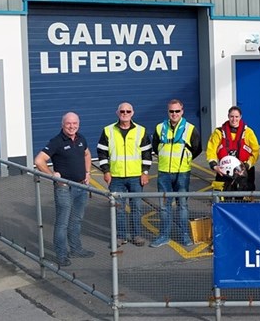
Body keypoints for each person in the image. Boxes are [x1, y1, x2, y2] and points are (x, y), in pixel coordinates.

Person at [34, 111, 95, 266]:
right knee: (62, 223)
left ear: (78, 124)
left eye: (74, 123)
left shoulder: (81, 139)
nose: (71, 126)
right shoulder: (56, 141)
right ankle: (61, 254)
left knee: (77, 220)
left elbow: (87, 155)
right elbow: (39, 160)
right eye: (68, 123)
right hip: (64, 188)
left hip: (81, 186)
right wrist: (53, 176)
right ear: (62, 124)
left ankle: (76, 249)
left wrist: (87, 173)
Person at [96, 102, 152, 247]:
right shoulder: (108, 130)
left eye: (128, 111)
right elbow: (101, 152)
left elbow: (147, 153)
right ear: (117, 113)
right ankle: (120, 237)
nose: (125, 114)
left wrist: (145, 172)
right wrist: (106, 171)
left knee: (136, 207)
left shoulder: (141, 130)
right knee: (118, 208)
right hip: (116, 177)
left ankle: (136, 235)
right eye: (122, 111)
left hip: (135, 177)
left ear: (132, 113)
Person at [149, 99, 201, 248]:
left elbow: (197, 148)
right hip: (164, 172)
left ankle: (184, 236)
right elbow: (156, 146)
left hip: (182, 172)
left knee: (182, 205)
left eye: (177, 111)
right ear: (168, 112)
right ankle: (164, 236)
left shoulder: (190, 128)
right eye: (171, 111)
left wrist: (186, 158)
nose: (174, 114)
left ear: (182, 111)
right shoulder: (160, 127)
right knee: (164, 206)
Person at [206, 105, 260, 191]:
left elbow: (255, 151)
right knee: (223, 199)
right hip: (224, 170)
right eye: (231, 116)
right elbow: (211, 149)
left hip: (243, 170)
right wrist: (214, 165)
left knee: (244, 199)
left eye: (236, 117)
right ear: (228, 116)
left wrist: (247, 165)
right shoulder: (218, 132)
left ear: (240, 117)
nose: (234, 119)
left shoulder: (248, 132)